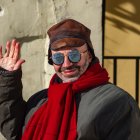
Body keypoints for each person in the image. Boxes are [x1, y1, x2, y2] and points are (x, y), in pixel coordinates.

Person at [0, 19, 140, 140]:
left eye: (74, 55)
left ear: (89, 56)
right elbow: (15, 132)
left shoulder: (117, 101)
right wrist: (8, 78)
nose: (66, 64)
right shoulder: (40, 100)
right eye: (58, 58)